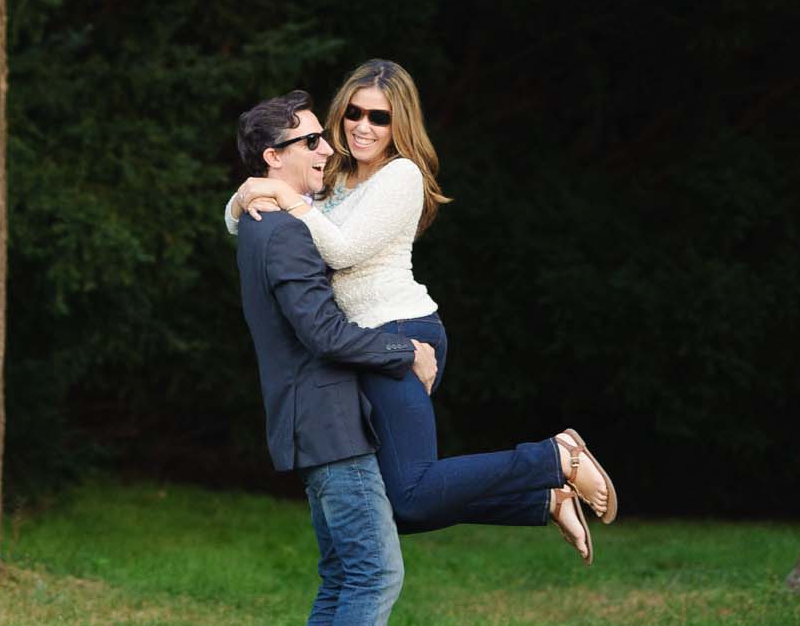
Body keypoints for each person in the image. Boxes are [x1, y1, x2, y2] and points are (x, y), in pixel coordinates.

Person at [228, 58, 616, 564]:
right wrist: (243, 198)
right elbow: (258, 220)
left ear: (399, 124)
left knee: (410, 493)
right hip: (361, 344)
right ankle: (544, 500)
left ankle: (555, 456)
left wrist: (281, 193)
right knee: (402, 507)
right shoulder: (334, 176)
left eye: (379, 118)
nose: (362, 127)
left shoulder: (401, 176)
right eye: (354, 113)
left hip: (401, 331)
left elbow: (341, 250)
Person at [233, 87, 438, 626]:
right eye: (311, 140)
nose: (329, 147)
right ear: (274, 157)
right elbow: (322, 332)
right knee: (375, 574)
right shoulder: (285, 232)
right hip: (328, 425)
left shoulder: (267, 219)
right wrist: (404, 352)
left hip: (316, 421)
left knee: (343, 578)